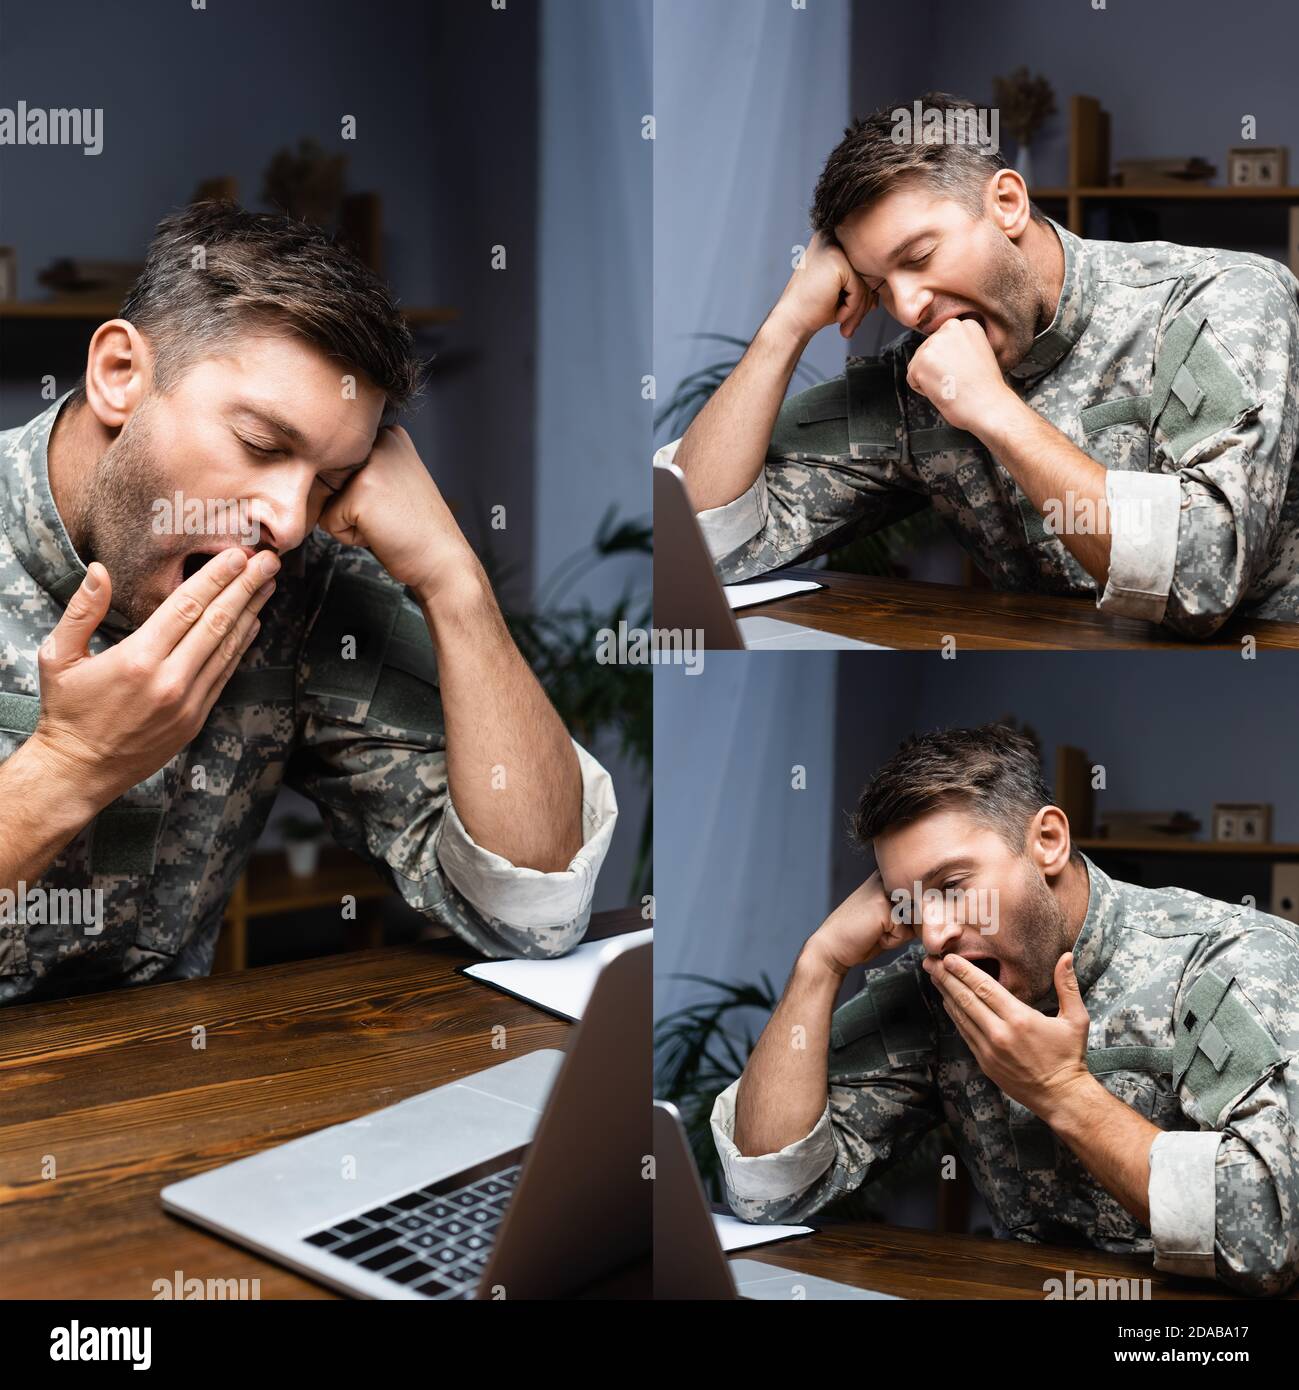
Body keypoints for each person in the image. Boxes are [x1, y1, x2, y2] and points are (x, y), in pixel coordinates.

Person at [0, 200, 616, 1003]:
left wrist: (450, 578)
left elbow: (534, 909)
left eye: (328, 478)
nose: (288, 524)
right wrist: (71, 768)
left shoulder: (303, 581)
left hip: (157, 1100)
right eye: (262, 444)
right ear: (120, 375)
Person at [661, 92, 1299, 639]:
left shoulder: (1222, 298)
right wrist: (786, 327)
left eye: (919, 257)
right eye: (876, 284)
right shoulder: (916, 380)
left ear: (1007, 203)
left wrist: (996, 412)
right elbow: (697, 547)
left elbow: (1201, 574)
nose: (906, 307)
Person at [711, 725, 1299, 1297]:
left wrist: (1060, 1088)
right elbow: (768, 1191)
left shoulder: (1228, 960)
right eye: (908, 903)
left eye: (953, 885)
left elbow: (1272, 1237)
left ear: (1047, 842)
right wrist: (821, 962)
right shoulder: (936, 986)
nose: (933, 933)